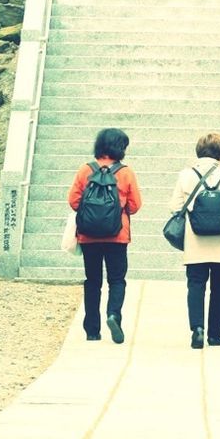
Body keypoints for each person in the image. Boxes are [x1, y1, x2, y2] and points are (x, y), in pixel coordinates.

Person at [168, 132, 220, 348]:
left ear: (199, 153)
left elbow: (175, 207)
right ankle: (215, 335)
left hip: (196, 242)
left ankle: (197, 328)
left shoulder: (186, 175)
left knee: (195, 285)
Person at [68, 127, 142, 344]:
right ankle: (113, 315)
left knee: (93, 281)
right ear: (120, 148)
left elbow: (73, 201)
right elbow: (136, 205)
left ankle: (92, 329)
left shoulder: (85, 170)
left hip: (89, 236)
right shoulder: (125, 172)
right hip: (117, 235)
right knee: (117, 279)